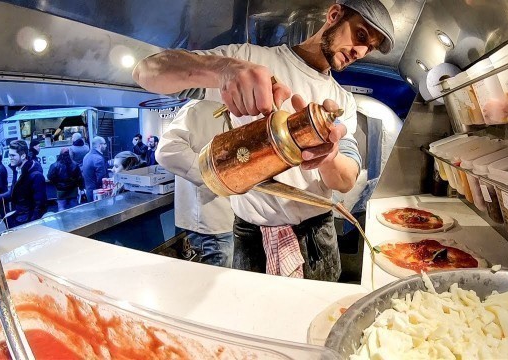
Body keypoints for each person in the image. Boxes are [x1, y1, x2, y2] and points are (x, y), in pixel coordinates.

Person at [134, 0, 394, 281]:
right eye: (361, 35)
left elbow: (344, 181)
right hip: (251, 234)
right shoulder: (249, 59)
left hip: (316, 235)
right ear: (334, 15)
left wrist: (329, 156)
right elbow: (146, 73)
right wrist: (222, 69)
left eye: (369, 47)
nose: (360, 51)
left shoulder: (342, 101)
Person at [164, 101, 235, 268]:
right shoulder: (197, 109)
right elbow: (167, 151)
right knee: (217, 285)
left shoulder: (236, 111)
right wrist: (213, 178)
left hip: (231, 217)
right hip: (211, 220)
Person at [0, 140, 47, 228]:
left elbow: (40, 206)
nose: (10, 158)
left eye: (13, 155)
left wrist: (31, 226)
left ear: (23, 156)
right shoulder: (17, 171)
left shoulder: (36, 175)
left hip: (28, 223)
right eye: (9, 155)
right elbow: (12, 193)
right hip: (18, 218)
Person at [81, 136, 108, 202]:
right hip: (98, 193)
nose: (106, 146)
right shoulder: (98, 159)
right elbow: (101, 179)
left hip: (89, 191)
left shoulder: (86, 156)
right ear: (99, 145)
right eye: (104, 144)